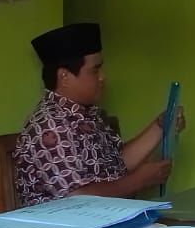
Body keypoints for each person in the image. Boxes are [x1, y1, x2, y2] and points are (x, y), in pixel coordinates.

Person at [14, 22, 179, 203]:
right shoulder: (50, 126)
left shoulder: (88, 113)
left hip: (109, 217)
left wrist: (160, 126)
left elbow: (117, 164)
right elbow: (77, 199)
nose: (102, 77)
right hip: (67, 221)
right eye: (95, 70)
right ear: (64, 77)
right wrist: (138, 181)